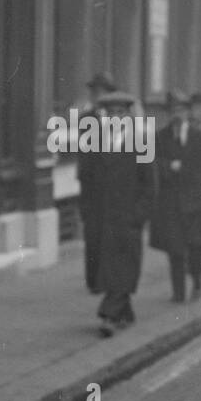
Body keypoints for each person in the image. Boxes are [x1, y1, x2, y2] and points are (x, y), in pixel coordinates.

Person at [87, 90, 154, 336]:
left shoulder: (141, 142)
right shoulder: (98, 141)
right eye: (111, 113)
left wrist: (139, 215)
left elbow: (150, 185)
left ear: (128, 115)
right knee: (112, 267)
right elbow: (90, 179)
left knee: (123, 266)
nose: (116, 117)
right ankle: (125, 311)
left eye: (121, 112)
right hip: (104, 218)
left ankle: (109, 314)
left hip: (128, 217)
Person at [150, 92, 201, 302]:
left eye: (181, 110)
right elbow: (152, 164)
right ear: (168, 114)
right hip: (171, 204)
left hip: (198, 204)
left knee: (196, 246)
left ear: (187, 112)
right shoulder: (160, 137)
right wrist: (168, 166)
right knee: (175, 249)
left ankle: (197, 281)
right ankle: (178, 292)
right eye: (173, 111)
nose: (177, 115)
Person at [77, 71, 115, 294]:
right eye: (94, 92)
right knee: (92, 234)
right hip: (92, 185)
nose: (97, 96)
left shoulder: (121, 121)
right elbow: (84, 155)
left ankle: (106, 279)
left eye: (101, 92)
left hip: (113, 186)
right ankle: (93, 281)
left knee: (110, 236)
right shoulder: (85, 119)